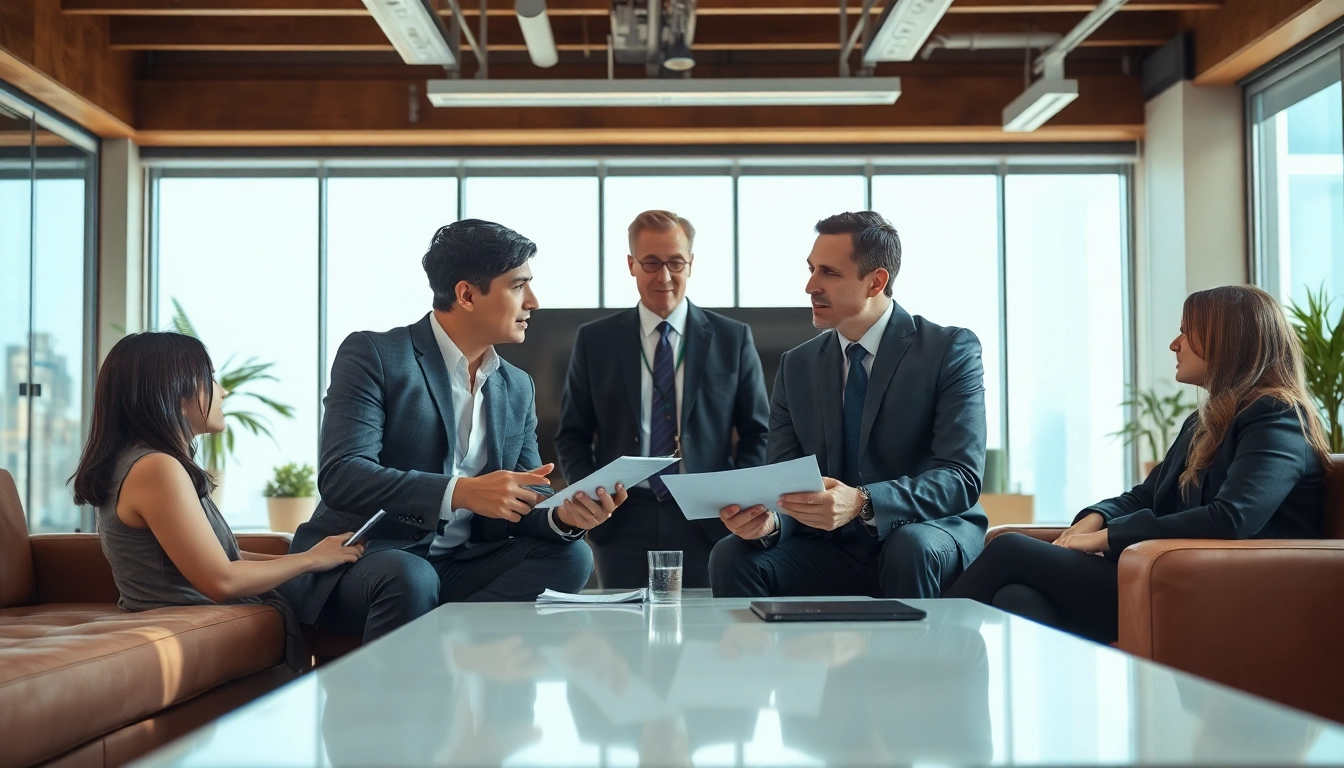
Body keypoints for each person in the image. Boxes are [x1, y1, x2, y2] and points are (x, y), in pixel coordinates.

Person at [288, 219, 625, 643]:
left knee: (573, 556)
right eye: (519, 286)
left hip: (461, 566)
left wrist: (562, 515)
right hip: (369, 560)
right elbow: (343, 475)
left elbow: (529, 490)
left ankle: (457, 649)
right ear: (467, 294)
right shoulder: (375, 355)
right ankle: (433, 675)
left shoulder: (516, 385)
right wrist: (460, 493)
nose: (534, 302)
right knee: (410, 575)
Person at [946, 285, 1330, 644]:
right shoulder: (1205, 422)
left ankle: (918, 657)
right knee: (1019, 597)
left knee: (1011, 549)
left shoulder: (1277, 416)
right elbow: (1147, 495)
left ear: (1227, 341)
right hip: (1168, 576)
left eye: (1186, 332)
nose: (1174, 344)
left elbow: (1232, 517)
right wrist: (1096, 518)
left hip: (1225, 589)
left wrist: (1106, 538)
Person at [709, 211, 988, 600]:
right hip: (830, 547)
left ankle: (917, 663)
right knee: (733, 555)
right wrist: (769, 521)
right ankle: (757, 663)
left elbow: (962, 477)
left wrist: (863, 501)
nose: (810, 285)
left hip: (926, 533)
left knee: (911, 547)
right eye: (811, 269)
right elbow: (784, 480)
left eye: (829, 273)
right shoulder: (797, 365)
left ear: (876, 281)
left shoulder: (948, 350)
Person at [72, 332, 363, 670]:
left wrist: (309, 555)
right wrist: (310, 562)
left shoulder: (141, 462)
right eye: (209, 379)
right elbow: (221, 580)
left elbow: (225, 557)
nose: (223, 391)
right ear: (176, 394)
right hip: (187, 610)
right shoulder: (155, 468)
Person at [556, 210, 770, 588]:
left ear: (691, 263)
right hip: (621, 517)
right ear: (631, 265)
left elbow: (758, 433)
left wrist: (739, 499)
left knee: (705, 638)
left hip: (709, 517)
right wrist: (589, 498)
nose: (665, 276)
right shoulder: (596, 340)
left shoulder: (732, 338)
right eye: (651, 263)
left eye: (676, 262)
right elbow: (572, 435)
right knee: (624, 636)